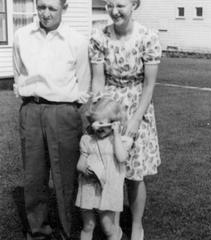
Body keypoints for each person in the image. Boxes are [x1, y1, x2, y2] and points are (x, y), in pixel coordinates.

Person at [12, 0, 91, 239]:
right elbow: (18, 72)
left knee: (66, 176)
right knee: (34, 176)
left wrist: (68, 108)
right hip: (31, 110)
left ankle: (69, 230)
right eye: (42, 6)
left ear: (64, 8)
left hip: (64, 112)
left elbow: (84, 83)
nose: (46, 13)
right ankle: (38, 230)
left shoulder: (76, 41)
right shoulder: (22, 36)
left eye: (52, 8)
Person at [89, 0, 162, 240]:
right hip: (110, 106)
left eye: (120, 4)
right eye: (109, 4)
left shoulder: (148, 37)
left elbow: (149, 86)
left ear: (134, 4)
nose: (114, 10)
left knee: (135, 173)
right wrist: (98, 110)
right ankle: (113, 225)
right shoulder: (99, 36)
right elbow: (98, 80)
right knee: (111, 169)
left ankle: (137, 224)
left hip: (138, 107)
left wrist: (134, 120)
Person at [75, 97, 133, 240]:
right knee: (88, 225)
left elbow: (121, 158)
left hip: (109, 188)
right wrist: (82, 168)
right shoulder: (87, 140)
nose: (97, 126)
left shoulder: (119, 141)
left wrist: (117, 134)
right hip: (89, 186)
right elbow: (80, 163)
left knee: (107, 226)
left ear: (114, 123)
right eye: (95, 122)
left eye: (102, 123)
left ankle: (117, 234)